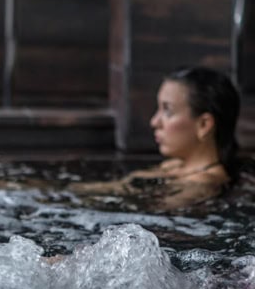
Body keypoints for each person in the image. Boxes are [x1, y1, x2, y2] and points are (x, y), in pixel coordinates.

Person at [69, 66, 241, 210]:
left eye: (168, 110)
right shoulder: (172, 166)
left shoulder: (202, 185)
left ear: (203, 125)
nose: (154, 122)